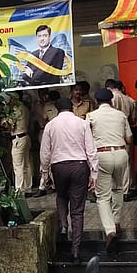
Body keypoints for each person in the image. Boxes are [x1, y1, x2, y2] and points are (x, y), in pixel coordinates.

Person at [41, 98, 98, 263]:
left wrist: (45, 174)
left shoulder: (50, 125)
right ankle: (75, 249)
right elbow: (91, 149)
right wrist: (94, 173)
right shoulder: (81, 123)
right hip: (79, 166)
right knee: (78, 210)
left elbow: (45, 152)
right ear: (71, 108)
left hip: (59, 166)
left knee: (61, 195)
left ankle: (64, 225)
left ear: (57, 108)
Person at [86, 88, 131, 253]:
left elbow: (87, 138)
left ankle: (110, 230)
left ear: (97, 101)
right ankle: (117, 221)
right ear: (111, 100)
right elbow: (129, 138)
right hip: (120, 153)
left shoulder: (91, 116)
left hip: (102, 154)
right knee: (118, 189)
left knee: (103, 197)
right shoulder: (121, 115)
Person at [7, 94, 33, 195]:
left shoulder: (15, 109)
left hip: (18, 138)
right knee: (26, 164)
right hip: (26, 136)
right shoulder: (25, 108)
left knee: (18, 165)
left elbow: (11, 125)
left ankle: (19, 189)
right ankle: (28, 187)